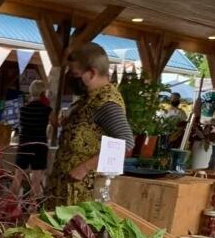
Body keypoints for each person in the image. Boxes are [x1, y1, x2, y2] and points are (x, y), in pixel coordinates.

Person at [46, 43, 135, 207]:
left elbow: (126, 143)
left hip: (82, 193)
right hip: (66, 187)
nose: (71, 78)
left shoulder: (106, 103)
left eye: (74, 74)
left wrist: (84, 168)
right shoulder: (89, 99)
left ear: (92, 73)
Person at [11, 80, 53, 198]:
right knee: (36, 178)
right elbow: (55, 123)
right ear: (43, 93)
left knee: (17, 177)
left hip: (24, 144)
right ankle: (32, 206)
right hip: (39, 145)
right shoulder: (46, 110)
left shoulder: (23, 110)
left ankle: (10, 204)